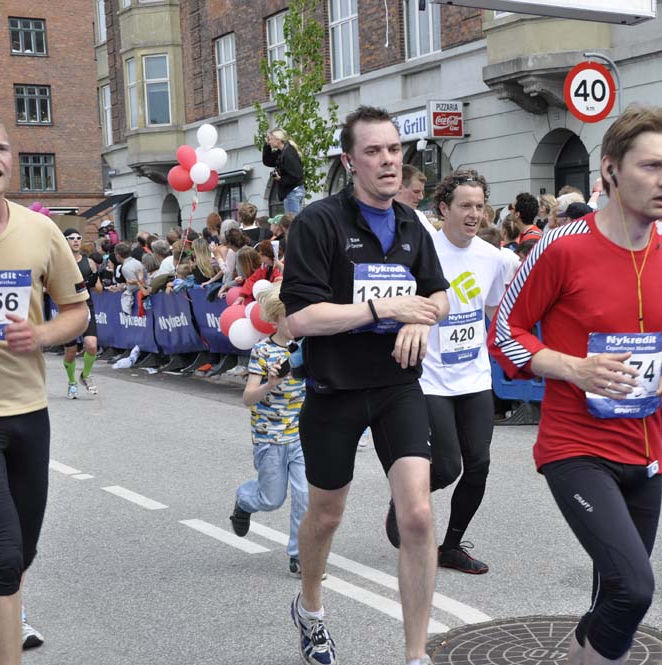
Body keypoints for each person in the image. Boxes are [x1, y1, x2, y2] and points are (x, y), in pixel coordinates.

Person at [489, 105, 662, 665]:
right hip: (576, 447)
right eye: (651, 166)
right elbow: (506, 332)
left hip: (646, 448)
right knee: (634, 588)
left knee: (614, 598)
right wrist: (573, 367)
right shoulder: (561, 246)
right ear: (610, 169)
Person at [280, 105, 449, 665]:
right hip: (336, 389)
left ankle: (416, 654)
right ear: (351, 161)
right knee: (327, 514)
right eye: (374, 151)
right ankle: (310, 606)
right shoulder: (319, 222)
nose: (388, 161)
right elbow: (300, 319)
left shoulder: (412, 224)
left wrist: (423, 318)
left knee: (417, 514)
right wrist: (386, 308)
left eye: (394, 150)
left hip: (397, 385)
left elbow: (439, 293)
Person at [0, 110, 89, 663]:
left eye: (2, 148)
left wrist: (42, 334)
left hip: (28, 413)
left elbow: (77, 311)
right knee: (4, 555)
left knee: (19, 557)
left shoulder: (40, 230)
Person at [390, 169, 506, 575]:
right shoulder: (424, 252)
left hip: (474, 375)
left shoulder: (492, 258)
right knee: (445, 466)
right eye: (465, 206)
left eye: (479, 206)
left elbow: (492, 310)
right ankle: (404, 501)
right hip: (431, 376)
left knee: (479, 465)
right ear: (444, 208)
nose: (474, 214)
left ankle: (451, 546)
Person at [229, 283, 311, 576]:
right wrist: (270, 384)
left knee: (305, 496)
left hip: (301, 435)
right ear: (276, 318)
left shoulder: (307, 347)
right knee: (271, 499)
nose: (297, 322)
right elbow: (247, 398)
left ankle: (299, 556)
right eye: (291, 316)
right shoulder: (262, 350)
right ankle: (244, 500)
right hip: (270, 437)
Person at [61, 228, 102, 399]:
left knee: (91, 345)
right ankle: (72, 382)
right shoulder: (59, 262)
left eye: (79, 238)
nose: (76, 241)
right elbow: (48, 285)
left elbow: (98, 288)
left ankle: (85, 375)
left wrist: (91, 280)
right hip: (68, 309)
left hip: (86, 307)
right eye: (72, 238)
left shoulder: (89, 263)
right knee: (70, 351)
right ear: (65, 241)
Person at [263, 128, 306, 215]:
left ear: (278, 139)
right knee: (295, 220)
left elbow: (297, 176)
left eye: (270, 139)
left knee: (292, 221)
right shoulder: (281, 152)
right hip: (293, 192)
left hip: (293, 192)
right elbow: (268, 161)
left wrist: (280, 179)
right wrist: (266, 145)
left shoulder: (288, 154)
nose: (269, 142)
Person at [396, 164, 437, 235]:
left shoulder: (419, 216)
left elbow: (434, 240)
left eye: (422, 192)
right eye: (416, 192)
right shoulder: (382, 219)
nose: (421, 197)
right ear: (399, 188)